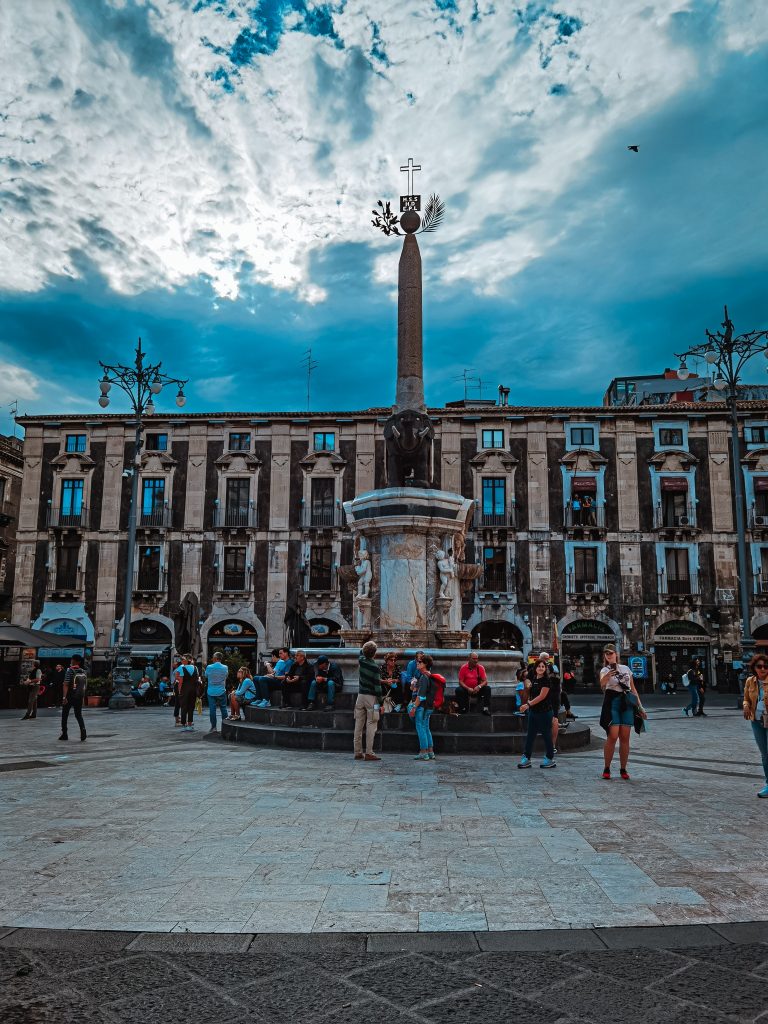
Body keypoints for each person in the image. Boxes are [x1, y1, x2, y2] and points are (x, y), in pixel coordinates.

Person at [599, 644, 646, 780]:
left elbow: (633, 689)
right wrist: (607, 676)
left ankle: (623, 769)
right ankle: (607, 767)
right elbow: (602, 684)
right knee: (613, 735)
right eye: (607, 654)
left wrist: (640, 707)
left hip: (626, 702)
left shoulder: (626, 669)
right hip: (612, 702)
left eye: (611, 653)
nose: (609, 655)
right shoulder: (604, 670)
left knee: (625, 737)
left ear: (616, 654)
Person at [517, 658, 556, 769]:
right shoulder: (533, 679)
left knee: (546, 735)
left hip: (545, 712)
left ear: (545, 669)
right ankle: (526, 757)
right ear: (536, 668)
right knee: (530, 735)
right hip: (534, 712)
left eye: (543, 666)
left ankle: (549, 758)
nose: (541, 668)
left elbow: (542, 696)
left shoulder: (546, 680)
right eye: (539, 666)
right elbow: (530, 694)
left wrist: (527, 705)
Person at [742, 653, 768, 798]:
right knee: (765, 755)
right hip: (756, 721)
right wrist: (745, 705)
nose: (763, 669)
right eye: (759, 666)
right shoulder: (750, 681)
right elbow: (746, 698)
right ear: (754, 668)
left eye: (766, 666)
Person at [354, 640, 382, 762]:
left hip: (360, 697)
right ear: (374, 653)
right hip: (373, 699)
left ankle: (357, 752)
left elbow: (361, 651)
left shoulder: (361, 660)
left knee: (358, 725)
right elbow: (377, 687)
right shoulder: (375, 667)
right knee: (372, 723)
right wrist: (380, 703)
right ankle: (369, 752)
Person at [410, 653, 438, 760]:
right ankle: (430, 752)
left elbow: (421, 696)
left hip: (421, 706)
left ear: (425, 664)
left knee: (420, 727)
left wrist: (413, 708)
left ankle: (423, 752)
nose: (417, 663)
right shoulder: (429, 675)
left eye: (420, 662)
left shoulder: (423, 677)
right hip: (429, 706)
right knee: (426, 727)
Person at [59, 654, 87, 742]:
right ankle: (83, 730)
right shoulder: (83, 671)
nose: (71, 660)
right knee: (78, 715)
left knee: (65, 715)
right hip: (79, 696)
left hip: (70, 695)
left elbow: (66, 684)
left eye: (72, 659)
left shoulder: (70, 671)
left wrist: (64, 697)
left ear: (75, 661)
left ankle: (64, 734)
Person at [204, 651, 229, 733]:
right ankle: (225, 727)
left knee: (212, 709)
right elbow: (226, 676)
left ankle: (214, 727)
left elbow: (206, 676)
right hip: (221, 690)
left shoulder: (209, 667)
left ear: (215, 658)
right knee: (223, 708)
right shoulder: (225, 667)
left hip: (211, 691)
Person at [177, 654, 198, 731]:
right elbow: (198, 679)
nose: (182, 660)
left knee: (184, 706)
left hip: (185, 689)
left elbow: (181, 681)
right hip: (193, 689)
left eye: (183, 659)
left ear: (186, 661)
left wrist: (179, 690)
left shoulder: (183, 668)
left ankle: (184, 724)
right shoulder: (195, 668)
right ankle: (189, 724)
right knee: (191, 707)